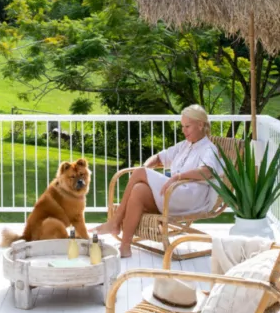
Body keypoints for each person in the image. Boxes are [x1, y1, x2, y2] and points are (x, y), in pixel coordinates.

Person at [95, 104, 223, 257]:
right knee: (138, 190)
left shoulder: (209, 149)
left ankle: (115, 221)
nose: (183, 130)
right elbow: (158, 158)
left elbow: (207, 171)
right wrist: (146, 167)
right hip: (173, 193)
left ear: (200, 125)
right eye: (182, 126)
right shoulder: (185, 145)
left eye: (187, 126)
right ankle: (125, 246)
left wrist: (178, 176)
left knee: (140, 173)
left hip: (191, 198)